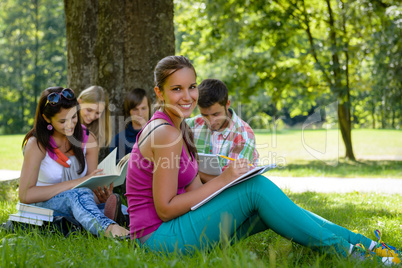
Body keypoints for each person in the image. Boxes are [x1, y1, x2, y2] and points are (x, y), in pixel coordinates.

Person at [125, 56, 400, 265]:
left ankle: (368, 246)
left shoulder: (179, 127)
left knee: (264, 199)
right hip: (157, 238)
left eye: (192, 87)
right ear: (159, 93)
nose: (187, 97)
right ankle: (353, 254)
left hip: (173, 228)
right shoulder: (165, 134)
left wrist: (231, 183)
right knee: (257, 190)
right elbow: (165, 209)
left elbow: (195, 191)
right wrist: (225, 179)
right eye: (176, 89)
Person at [19, 86, 129, 238]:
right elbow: (25, 194)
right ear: (46, 119)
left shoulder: (88, 139)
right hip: (42, 204)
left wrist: (101, 194)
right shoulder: (36, 144)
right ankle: (113, 231)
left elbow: (91, 185)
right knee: (77, 194)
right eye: (63, 121)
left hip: (80, 200)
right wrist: (76, 184)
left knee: (120, 208)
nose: (70, 125)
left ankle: (127, 220)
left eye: (73, 118)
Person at [186, 79, 259, 183]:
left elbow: (231, 181)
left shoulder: (243, 135)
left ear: (227, 104)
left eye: (216, 114)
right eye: (205, 115)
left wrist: (194, 173)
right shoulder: (191, 125)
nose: (210, 121)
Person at [110, 88, 151, 163]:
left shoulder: (158, 133)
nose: (140, 113)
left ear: (149, 108)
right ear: (129, 111)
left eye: (143, 108)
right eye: (135, 109)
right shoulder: (119, 140)